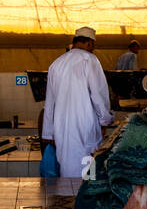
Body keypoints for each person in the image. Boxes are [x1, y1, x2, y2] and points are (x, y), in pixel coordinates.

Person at [44, 26, 113, 178]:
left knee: (67, 168)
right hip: (85, 124)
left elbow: (50, 102)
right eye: (93, 46)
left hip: (62, 127)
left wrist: (49, 133)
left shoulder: (56, 64)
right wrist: (105, 120)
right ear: (89, 43)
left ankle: (68, 198)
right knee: (88, 171)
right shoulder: (90, 60)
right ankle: (85, 198)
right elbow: (98, 95)